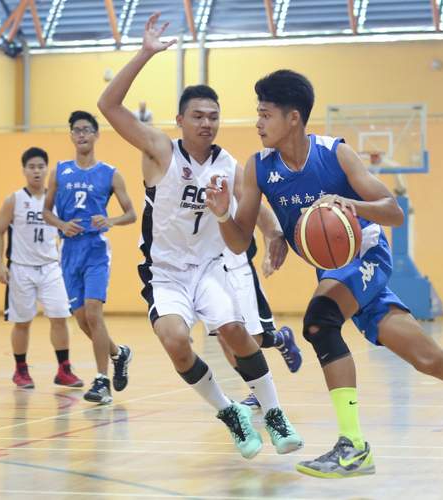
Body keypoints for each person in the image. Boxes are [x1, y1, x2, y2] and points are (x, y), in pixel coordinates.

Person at [206, 69, 443, 478]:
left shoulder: (335, 154)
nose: (257, 123)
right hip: (336, 271)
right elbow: (237, 242)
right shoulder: (258, 169)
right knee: (429, 358)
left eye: (265, 114)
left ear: (293, 119)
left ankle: (353, 446)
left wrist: (350, 205)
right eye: (258, 114)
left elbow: (392, 210)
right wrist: (221, 214)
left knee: (320, 322)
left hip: (367, 254)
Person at [97, 13, 303, 459]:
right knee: (175, 341)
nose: (207, 123)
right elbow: (108, 107)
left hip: (210, 268)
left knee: (233, 330)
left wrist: (273, 235)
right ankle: (228, 411)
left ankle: (273, 412)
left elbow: (256, 204)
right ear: (180, 120)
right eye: (198, 116)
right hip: (165, 273)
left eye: (213, 116)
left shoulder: (230, 163)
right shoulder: (159, 150)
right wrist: (146, 53)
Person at [42, 110, 137, 404]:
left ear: (97, 135)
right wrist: (61, 224)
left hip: (95, 250)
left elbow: (131, 214)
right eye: (76, 130)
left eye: (87, 130)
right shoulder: (59, 171)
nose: (81, 134)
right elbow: (46, 212)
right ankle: (119, 354)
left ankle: (101, 381)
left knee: (94, 313)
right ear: (71, 135)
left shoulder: (110, 173)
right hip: (69, 252)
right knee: (83, 320)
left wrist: (110, 220)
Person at [0, 147, 84, 389]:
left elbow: (67, 228)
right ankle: (20, 369)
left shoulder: (56, 200)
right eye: (31, 167)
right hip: (21, 269)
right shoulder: (14, 200)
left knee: (60, 316)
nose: (36, 171)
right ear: (24, 170)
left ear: (47, 169)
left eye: (40, 166)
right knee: (22, 322)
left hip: (52, 267)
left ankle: (64, 369)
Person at [215, 233, 302, 411]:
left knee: (248, 339)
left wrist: (270, 254)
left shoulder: (236, 203)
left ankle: (278, 339)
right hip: (209, 273)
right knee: (224, 338)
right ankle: (256, 389)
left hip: (237, 270)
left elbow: (267, 220)